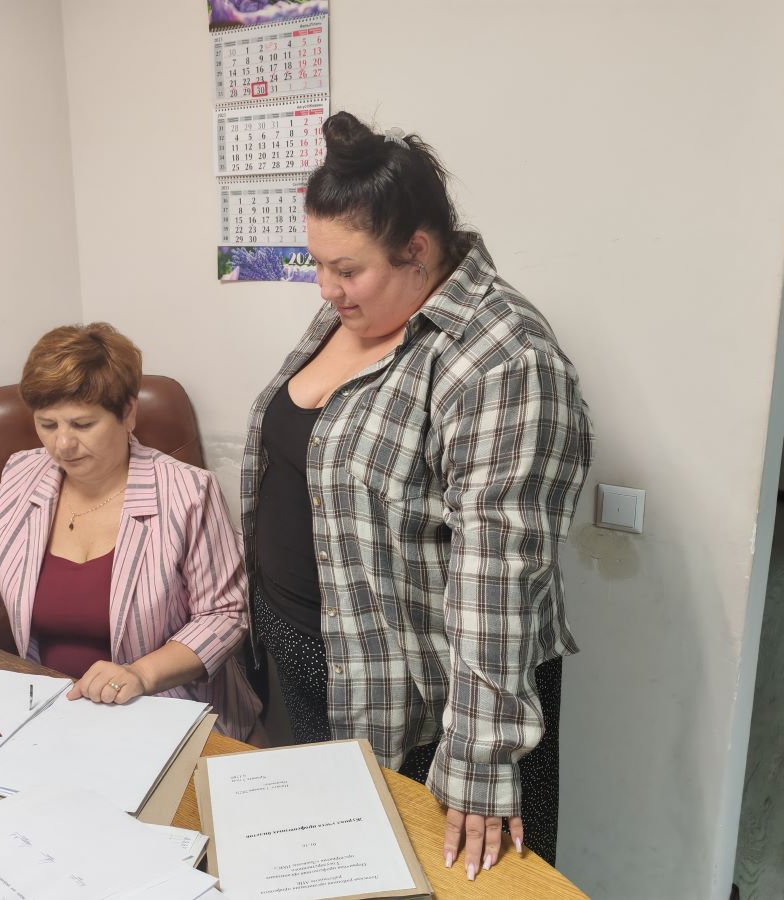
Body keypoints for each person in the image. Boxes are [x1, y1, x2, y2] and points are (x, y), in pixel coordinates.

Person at [241, 112, 593, 875]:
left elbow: (498, 574)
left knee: (452, 879)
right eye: (317, 264)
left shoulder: (504, 359)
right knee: (342, 868)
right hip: (318, 658)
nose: (326, 288)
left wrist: (479, 759)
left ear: (419, 251)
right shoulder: (361, 306)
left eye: (345, 268)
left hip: (433, 703)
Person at [0, 323, 262, 741]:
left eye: (82, 424)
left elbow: (224, 615)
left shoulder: (188, 491)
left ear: (128, 413)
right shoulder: (23, 473)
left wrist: (140, 674)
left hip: (165, 709)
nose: (63, 445)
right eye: (48, 424)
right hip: (49, 710)